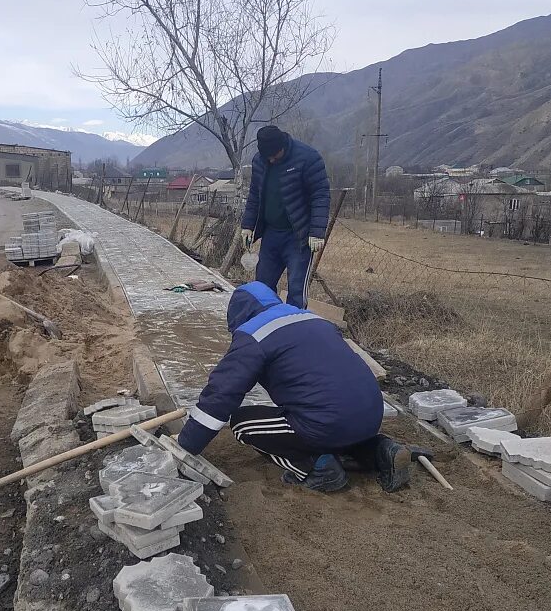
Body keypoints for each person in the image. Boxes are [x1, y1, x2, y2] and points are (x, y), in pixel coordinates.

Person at [177, 281, 422, 493]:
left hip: (328, 422)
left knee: (243, 423)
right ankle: (381, 449)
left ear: (238, 315)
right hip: (371, 415)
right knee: (328, 420)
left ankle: (317, 467)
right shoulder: (313, 319)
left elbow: (221, 395)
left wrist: (187, 444)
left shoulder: (253, 334)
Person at [240, 124, 330, 310]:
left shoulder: (307, 158)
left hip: (298, 236)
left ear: (283, 146)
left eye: (275, 155)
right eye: (268, 157)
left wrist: (317, 231)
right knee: (262, 286)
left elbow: (320, 194)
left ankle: (294, 330)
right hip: (271, 233)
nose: (272, 160)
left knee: (296, 290)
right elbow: (254, 195)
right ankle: (267, 327)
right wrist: (248, 225)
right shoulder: (260, 161)